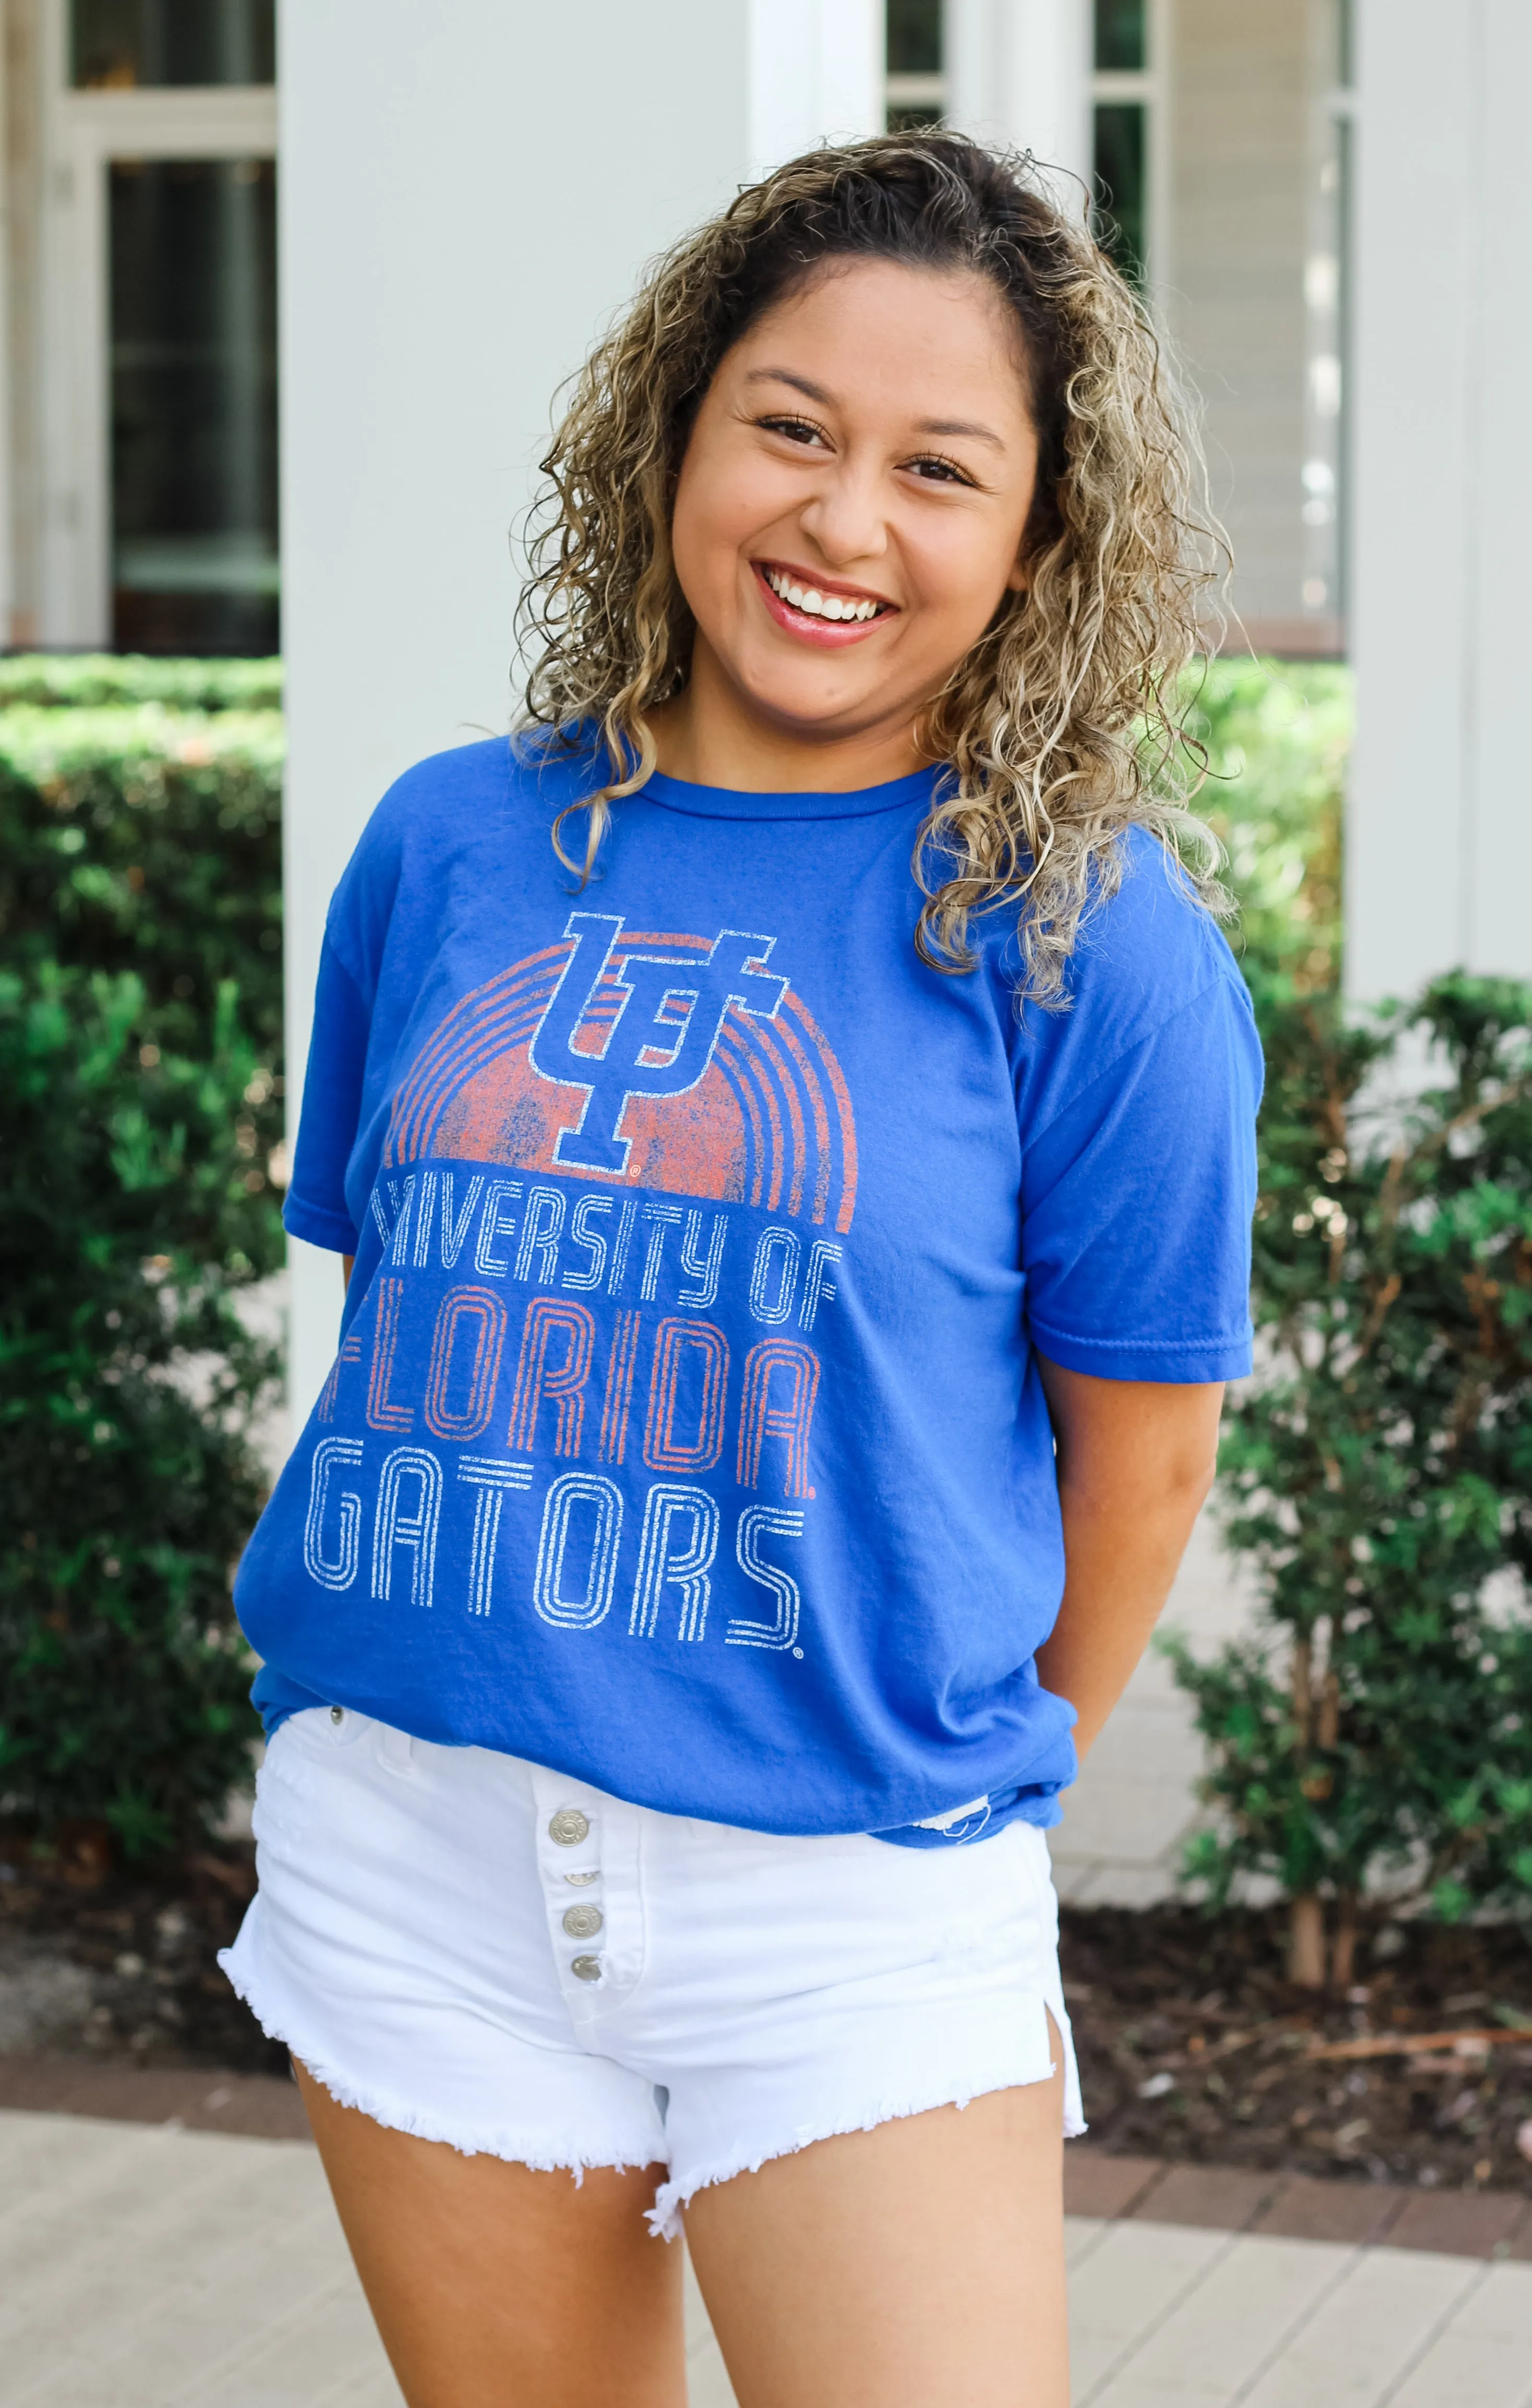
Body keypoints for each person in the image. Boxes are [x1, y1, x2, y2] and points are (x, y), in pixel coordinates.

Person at [222, 133, 1260, 2408]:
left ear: (1034, 539)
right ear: (675, 427)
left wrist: (949, 1785)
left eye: (937, 468)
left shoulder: (1086, 941)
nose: (840, 523)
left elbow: (1144, 1465)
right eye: (787, 426)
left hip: (849, 1904)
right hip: (415, 1847)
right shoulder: (448, 842)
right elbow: (408, 1309)